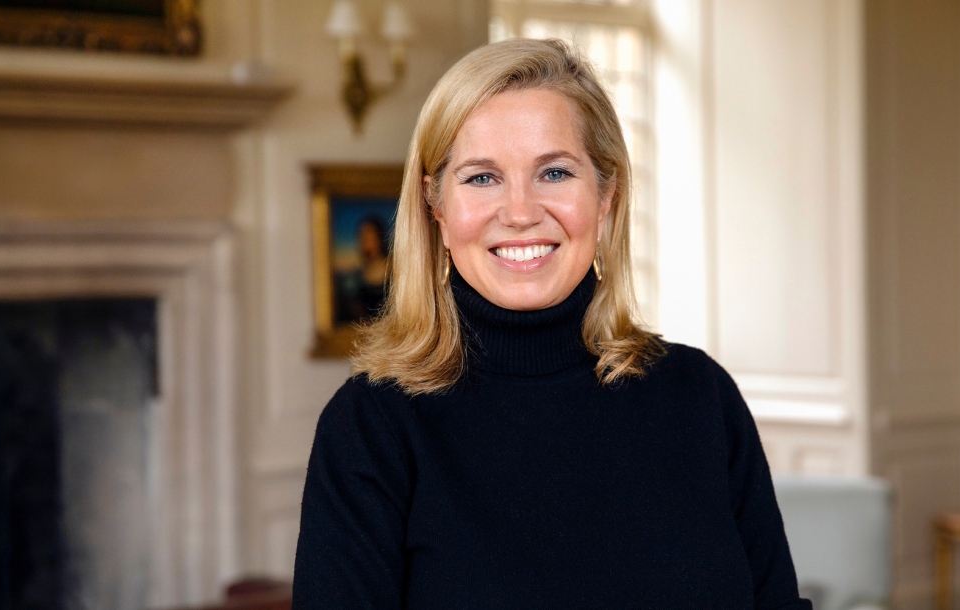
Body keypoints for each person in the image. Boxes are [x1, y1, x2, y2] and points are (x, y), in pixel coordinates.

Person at [292, 38, 812, 610]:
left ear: (606, 194)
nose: (519, 212)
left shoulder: (701, 396)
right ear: (436, 207)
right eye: (481, 178)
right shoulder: (371, 426)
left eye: (555, 172)